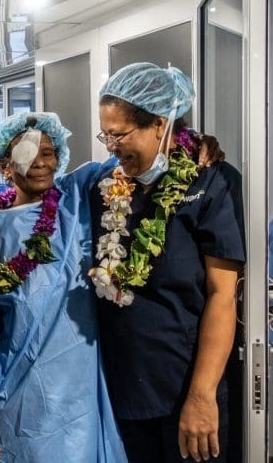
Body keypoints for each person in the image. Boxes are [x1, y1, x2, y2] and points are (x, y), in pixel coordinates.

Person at [89, 62, 245, 463]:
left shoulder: (212, 181)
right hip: (122, 388)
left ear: (160, 123)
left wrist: (202, 397)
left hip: (185, 389)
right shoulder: (107, 185)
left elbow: (222, 295)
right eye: (105, 134)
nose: (110, 146)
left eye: (119, 134)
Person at [0, 112, 128, 462]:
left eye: (48, 153)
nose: (40, 162)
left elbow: (133, 153)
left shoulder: (75, 198)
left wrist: (188, 139)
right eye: (27, 153)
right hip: (16, 389)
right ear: (5, 167)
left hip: (77, 393)